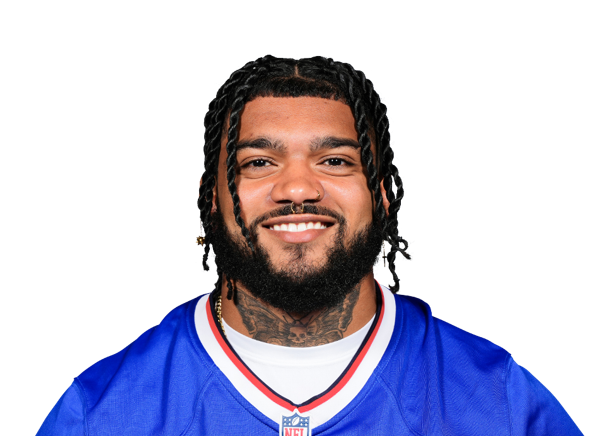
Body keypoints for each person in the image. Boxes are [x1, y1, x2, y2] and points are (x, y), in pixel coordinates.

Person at [37, 55, 583, 435]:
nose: (297, 188)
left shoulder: (501, 401)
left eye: (335, 160)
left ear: (383, 195)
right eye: (259, 162)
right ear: (210, 200)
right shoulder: (99, 412)